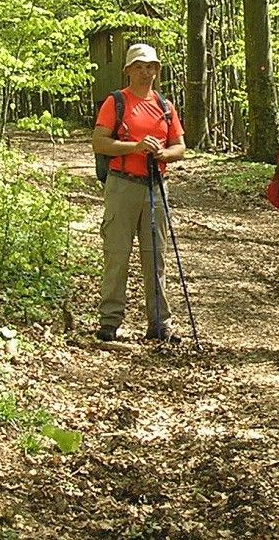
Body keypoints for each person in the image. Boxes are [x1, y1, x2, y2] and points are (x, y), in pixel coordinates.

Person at [91, 43, 186, 342]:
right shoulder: (116, 102)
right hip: (122, 184)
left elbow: (180, 147)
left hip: (156, 186)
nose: (146, 72)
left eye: (151, 67)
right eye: (140, 67)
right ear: (129, 70)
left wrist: (164, 154)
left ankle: (159, 323)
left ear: (157, 71)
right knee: (117, 253)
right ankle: (109, 321)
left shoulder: (165, 106)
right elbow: (99, 143)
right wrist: (135, 146)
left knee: (155, 256)